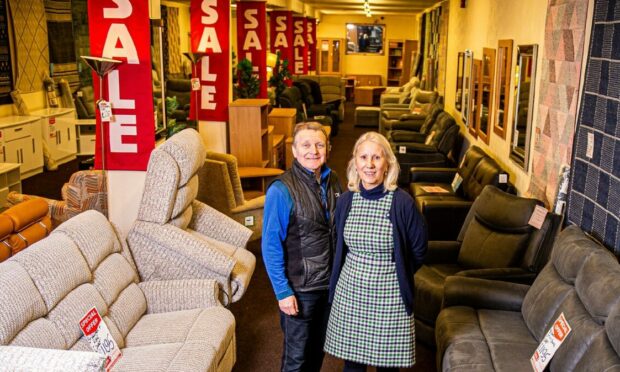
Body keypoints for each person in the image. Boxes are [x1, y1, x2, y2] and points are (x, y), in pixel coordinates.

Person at [324, 132, 427, 372]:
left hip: (389, 298)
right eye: (363, 157)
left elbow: (419, 249)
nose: (369, 164)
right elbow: (339, 245)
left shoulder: (402, 203)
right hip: (351, 295)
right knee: (352, 366)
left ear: (387, 163)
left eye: (376, 158)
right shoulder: (346, 201)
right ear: (355, 163)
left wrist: (398, 271)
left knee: (388, 367)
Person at [262, 122, 343, 372]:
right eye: (306, 145)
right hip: (300, 289)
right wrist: (283, 292)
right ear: (294, 151)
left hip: (328, 286)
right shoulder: (281, 189)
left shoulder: (334, 180)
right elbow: (270, 245)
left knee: (317, 351)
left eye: (319, 144)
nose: (313, 151)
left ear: (327, 149)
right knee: (296, 359)